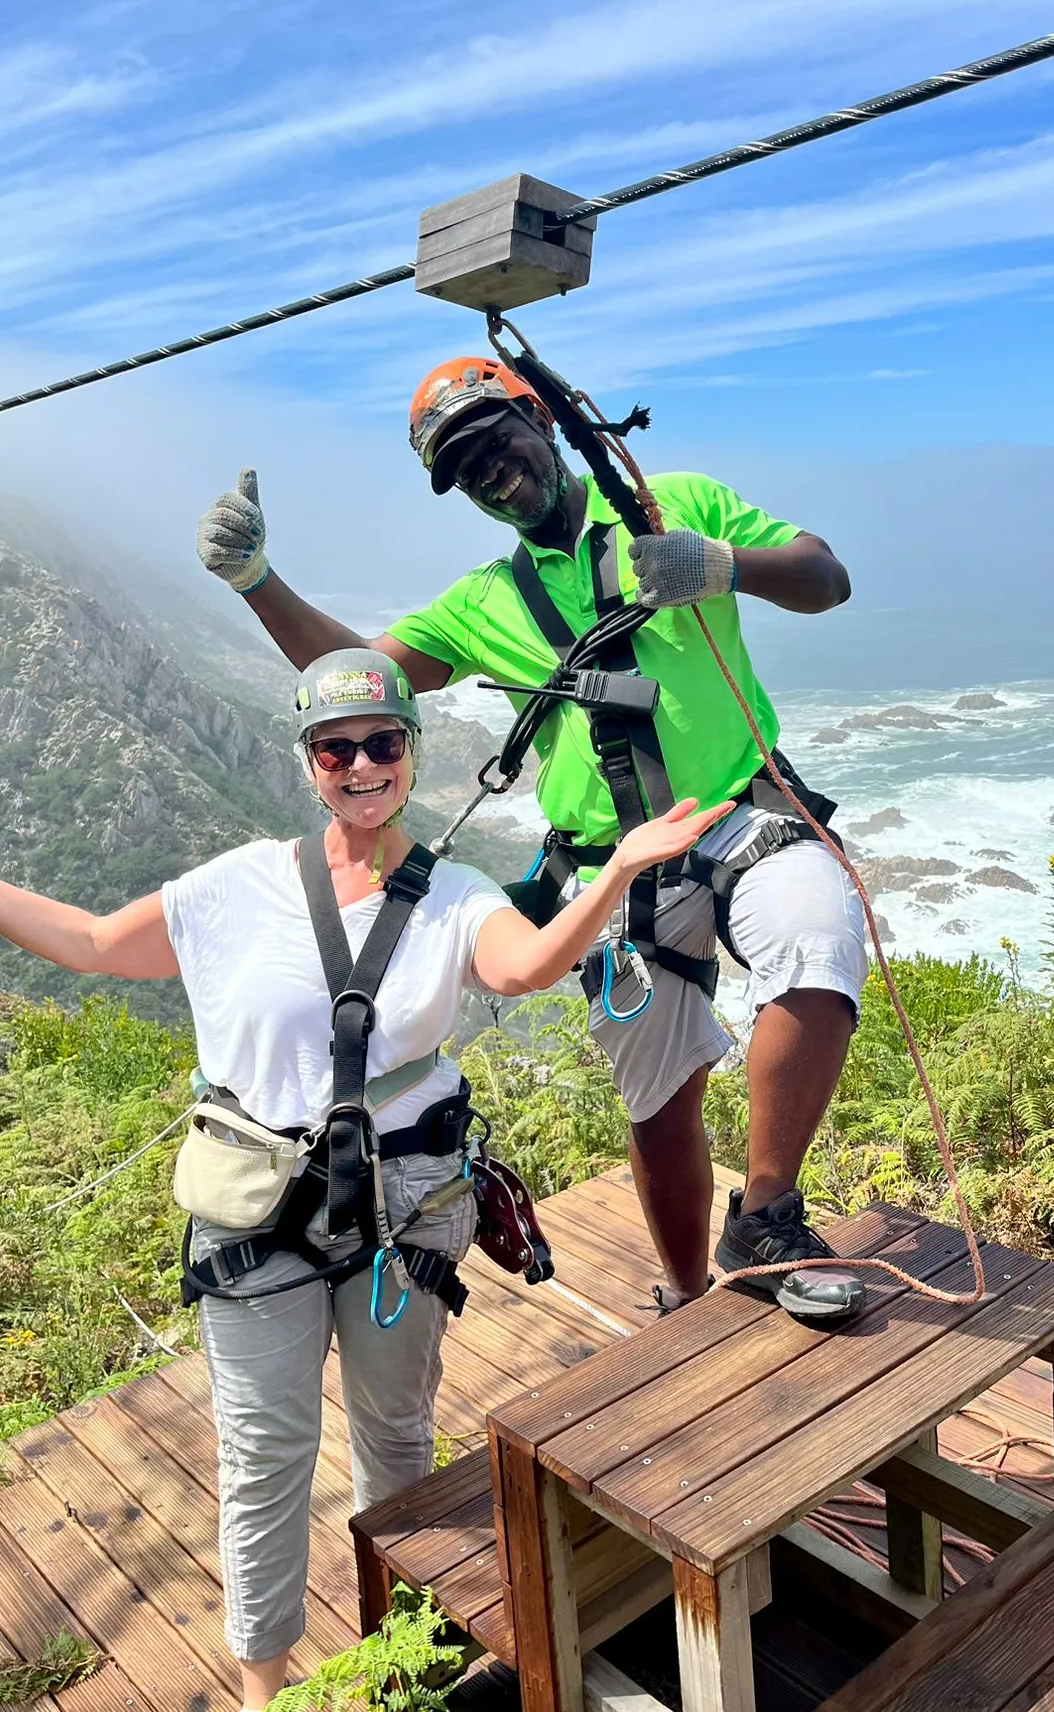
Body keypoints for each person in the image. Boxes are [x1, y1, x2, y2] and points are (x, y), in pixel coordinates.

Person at [0, 647, 727, 1712]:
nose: (364, 765)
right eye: (338, 748)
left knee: (398, 1442)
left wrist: (622, 872)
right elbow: (93, 941)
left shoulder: (454, 893)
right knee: (265, 1460)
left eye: (384, 743)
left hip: (403, 1211)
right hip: (255, 1212)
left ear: (411, 753)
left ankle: (405, 1670)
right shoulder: (238, 885)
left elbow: (527, 966)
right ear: (309, 764)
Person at [195, 358, 869, 1323]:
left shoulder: (673, 504)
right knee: (658, 1095)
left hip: (741, 812)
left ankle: (765, 1213)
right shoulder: (485, 601)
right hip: (611, 866)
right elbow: (359, 676)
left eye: (495, 440)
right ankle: (689, 1294)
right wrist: (257, 583)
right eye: (463, 468)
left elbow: (824, 578)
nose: (489, 470)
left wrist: (723, 566)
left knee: (815, 937)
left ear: (543, 421)